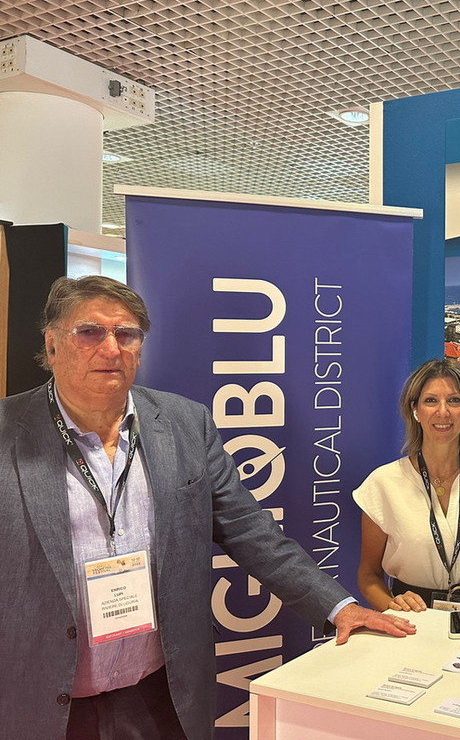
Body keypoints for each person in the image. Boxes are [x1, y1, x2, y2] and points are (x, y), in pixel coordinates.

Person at [0, 275, 416, 740]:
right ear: (52, 343)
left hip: (161, 695)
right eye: (90, 332)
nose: (111, 348)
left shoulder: (185, 423)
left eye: (126, 334)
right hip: (43, 702)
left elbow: (249, 530)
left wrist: (337, 607)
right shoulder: (6, 433)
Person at [354, 359, 460, 620]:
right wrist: (391, 607)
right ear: (415, 410)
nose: (443, 411)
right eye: (430, 401)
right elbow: (368, 575)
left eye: (454, 400)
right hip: (411, 623)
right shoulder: (383, 483)